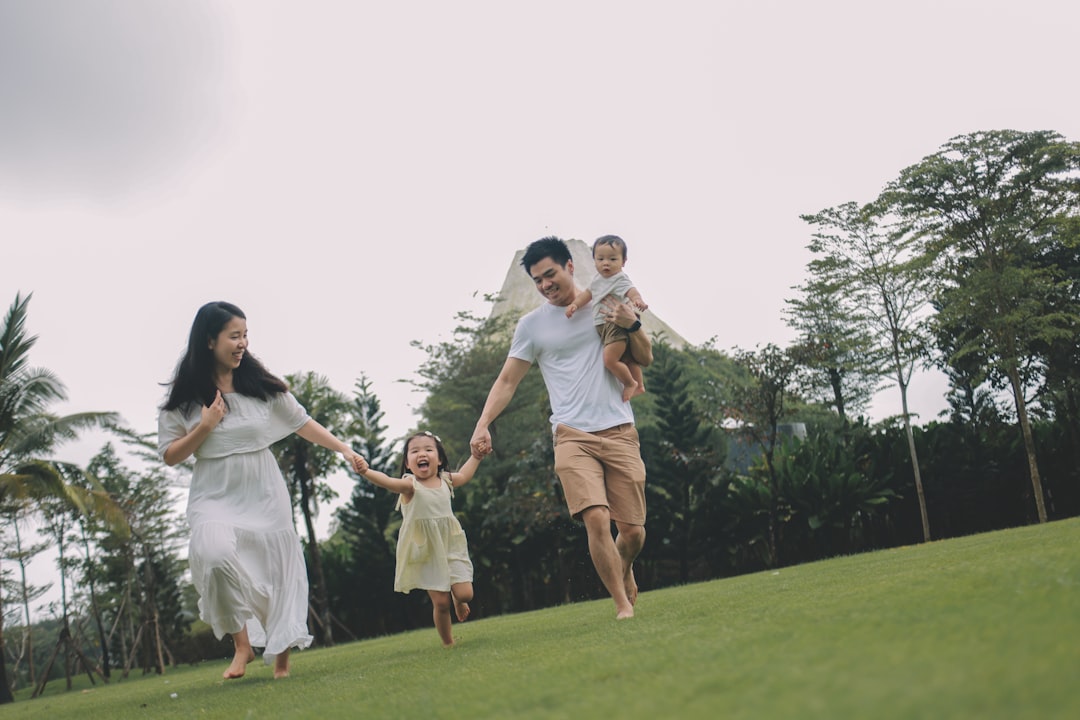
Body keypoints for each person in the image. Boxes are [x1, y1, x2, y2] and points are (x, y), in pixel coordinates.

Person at [157, 301, 364, 680]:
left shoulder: (261, 388)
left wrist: (343, 448)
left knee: (277, 568)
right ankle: (242, 644)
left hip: (263, 490)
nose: (242, 343)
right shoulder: (184, 398)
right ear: (208, 340)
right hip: (214, 493)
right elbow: (170, 455)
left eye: (245, 335)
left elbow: (303, 422)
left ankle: (281, 660)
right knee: (214, 554)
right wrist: (204, 427)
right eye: (234, 336)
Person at [470, 236, 652, 620]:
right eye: (537, 280)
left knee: (633, 532)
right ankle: (622, 605)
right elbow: (507, 381)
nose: (544, 285)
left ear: (570, 266)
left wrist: (632, 323)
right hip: (570, 434)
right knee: (597, 518)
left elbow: (646, 357)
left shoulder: (607, 301)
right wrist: (483, 423)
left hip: (619, 427)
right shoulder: (532, 326)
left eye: (550, 274)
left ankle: (626, 566)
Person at [352, 431, 481, 647]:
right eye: (415, 451)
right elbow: (386, 482)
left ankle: (458, 599)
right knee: (440, 603)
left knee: (466, 594)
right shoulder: (409, 485)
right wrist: (366, 472)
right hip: (427, 550)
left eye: (429, 450)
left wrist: (476, 456)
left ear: (439, 460)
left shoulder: (446, 480)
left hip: (450, 542)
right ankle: (448, 642)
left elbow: (465, 475)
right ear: (408, 463)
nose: (422, 453)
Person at [566, 234, 649, 401]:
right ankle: (639, 384)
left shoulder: (619, 279)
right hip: (603, 326)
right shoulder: (597, 280)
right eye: (600, 258)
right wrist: (575, 304)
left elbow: (631, 291)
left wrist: (637, 300)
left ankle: (629, 383)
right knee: (626, 358)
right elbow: (587, 295)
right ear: (594, 261)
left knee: (610, 360)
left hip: (614, 324)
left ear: (623, 262)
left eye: (612, 259)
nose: (606, 263)